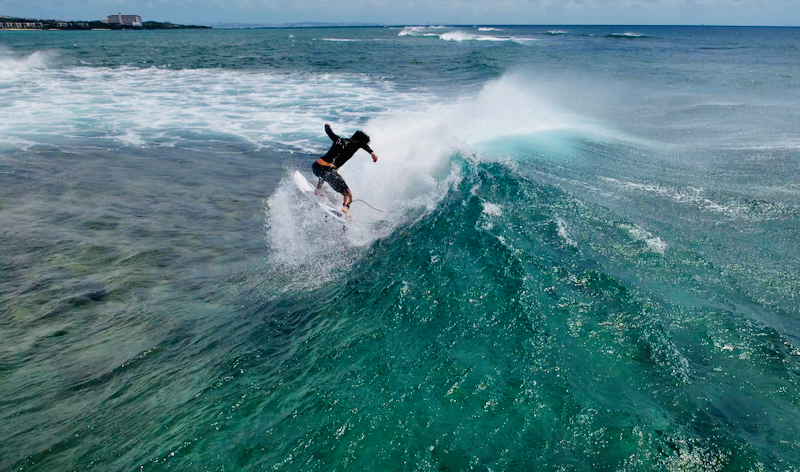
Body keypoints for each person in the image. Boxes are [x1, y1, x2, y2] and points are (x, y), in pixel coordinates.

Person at [312, 123, 378, 216]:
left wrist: (327, 126)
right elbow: (361, 143)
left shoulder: (338, 140)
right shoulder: (354, 145)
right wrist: (372, 153)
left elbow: (329, 132)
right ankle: (345, 208)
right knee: (348, 194)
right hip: (328, 171)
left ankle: (318, 189)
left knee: (326, 172)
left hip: (316, 167)